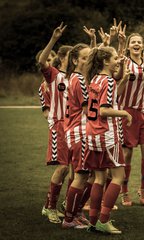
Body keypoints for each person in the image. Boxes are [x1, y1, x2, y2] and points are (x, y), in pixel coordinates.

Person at [84, 46, 132, 234]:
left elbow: (105, 102)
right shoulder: (109, 81)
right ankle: (104, 220)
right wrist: (124, 113)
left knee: (99, 177)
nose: (117, 61)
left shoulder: (95, 79)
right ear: (105, 61)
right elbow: (104, 110)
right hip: (107, 135)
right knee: (119, 176)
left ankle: (93, 221)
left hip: (92, 134)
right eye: (114, 58)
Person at [38, 22, 72, 224]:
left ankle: (67, 206)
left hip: (75, 126)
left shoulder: (77, 77)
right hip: (60, 125)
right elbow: (42, 61)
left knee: (74, 169)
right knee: (62, 167)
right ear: (64, 58)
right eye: (73, 56)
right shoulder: (54, 75)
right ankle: (49, 207)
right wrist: (54, 39)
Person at [61, 43, 94, 229]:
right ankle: (69, 218)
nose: (88, 61)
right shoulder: (79, 80)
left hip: (78, 132)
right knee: (82, 175)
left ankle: (77, 212)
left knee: (90, 174)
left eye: (90, 57)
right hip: (80, 132)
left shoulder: (77, 78)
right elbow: (88, 111)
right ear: (75, 60)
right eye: (84, 58)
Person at [117, 30, 144, 206]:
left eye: (139, 42)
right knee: (127, 154)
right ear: (129, 46)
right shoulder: (125, 62)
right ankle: (124, 191)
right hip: (127, 112)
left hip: (143, 112)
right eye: (133, 42)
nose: (137, 44)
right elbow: (116, 83)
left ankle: (143, 188)